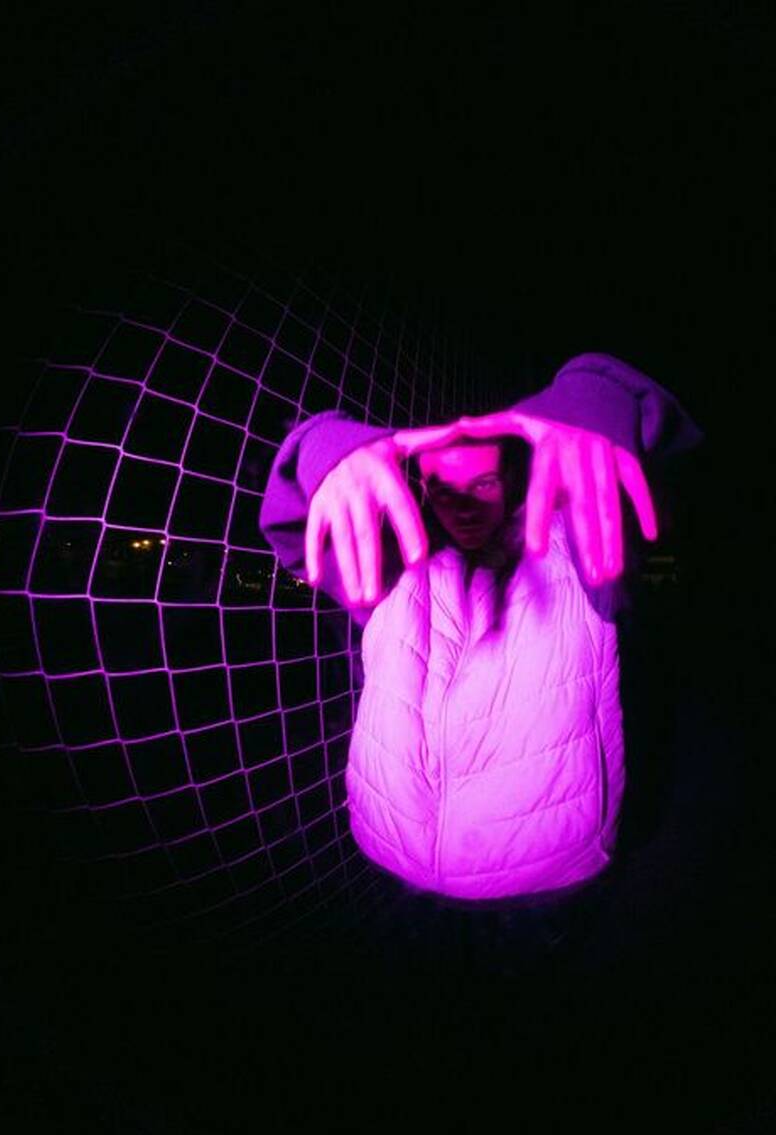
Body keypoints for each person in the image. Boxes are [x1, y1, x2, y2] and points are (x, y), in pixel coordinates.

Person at [259, 352, 703, 972]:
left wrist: (591, 402)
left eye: (483, 483)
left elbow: (665, 468)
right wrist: (324, 449)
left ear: (514, 478)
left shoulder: (579, 552)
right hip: (400, 866)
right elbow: (296, 532)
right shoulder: (393, 567)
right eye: (443, 488)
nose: (462, 505)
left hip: (543, 882)